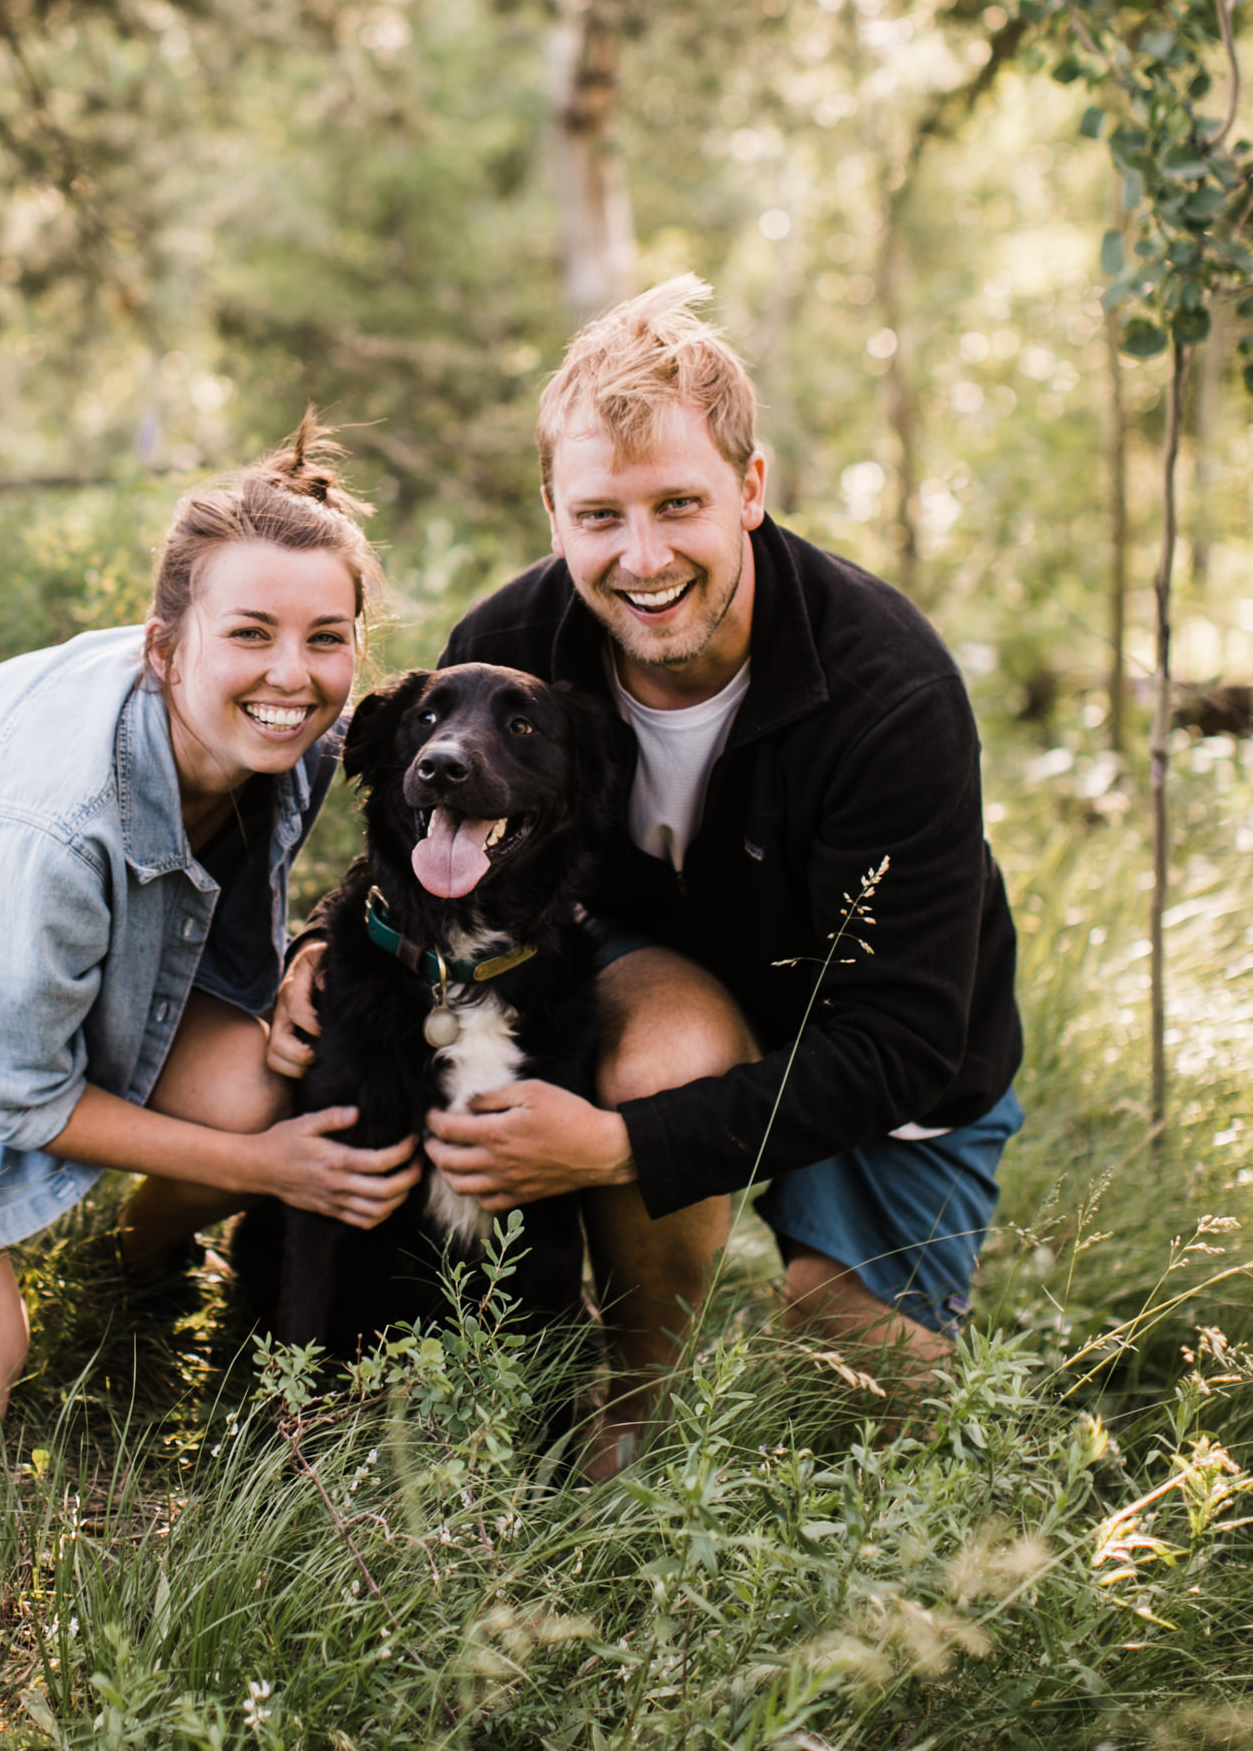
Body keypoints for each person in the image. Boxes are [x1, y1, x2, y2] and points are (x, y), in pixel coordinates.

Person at [272, 279, 1023, 1463]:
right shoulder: (507, 649)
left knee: (861, 1369)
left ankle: (761, 1268)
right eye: (599, 515)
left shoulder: (891, 694)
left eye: (678, 504)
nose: (641, 555)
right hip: (667, 994)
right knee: (666, 1049)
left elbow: (906, 1036)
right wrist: (321, 937)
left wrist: (619, 1150)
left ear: (751, 489)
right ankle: (629, 1414)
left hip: (877, 1042)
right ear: (553, 512)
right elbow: (425, 855)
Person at [0, 423, 421, 1422]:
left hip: (84, 981)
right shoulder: (50, 821)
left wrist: (307, 952)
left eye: (327, 637)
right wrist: (262, 1171)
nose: (294, 675)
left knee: (265, 1086)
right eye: (249, 632)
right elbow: (15, 1096)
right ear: (164, 644)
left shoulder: (298, 733)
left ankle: (129, 1264)